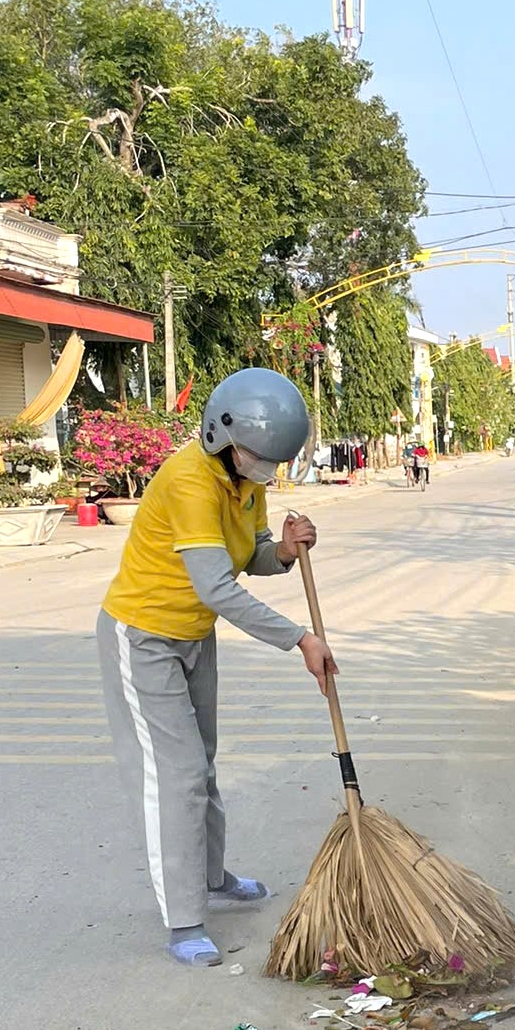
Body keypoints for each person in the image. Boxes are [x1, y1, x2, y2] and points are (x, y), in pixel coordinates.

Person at [98, 367, 335, 967]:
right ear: (221, 434)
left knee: (201, 764)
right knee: (173, 776)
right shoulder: (190, 481)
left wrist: (283, 549)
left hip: (193, 639)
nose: (266, 469)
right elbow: (216, 588)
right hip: (144, 634)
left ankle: (211, 877)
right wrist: (298, 638)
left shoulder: (246, 481)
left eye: (272, 461)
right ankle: (183, 920)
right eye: (258, 456)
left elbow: (249, 556)